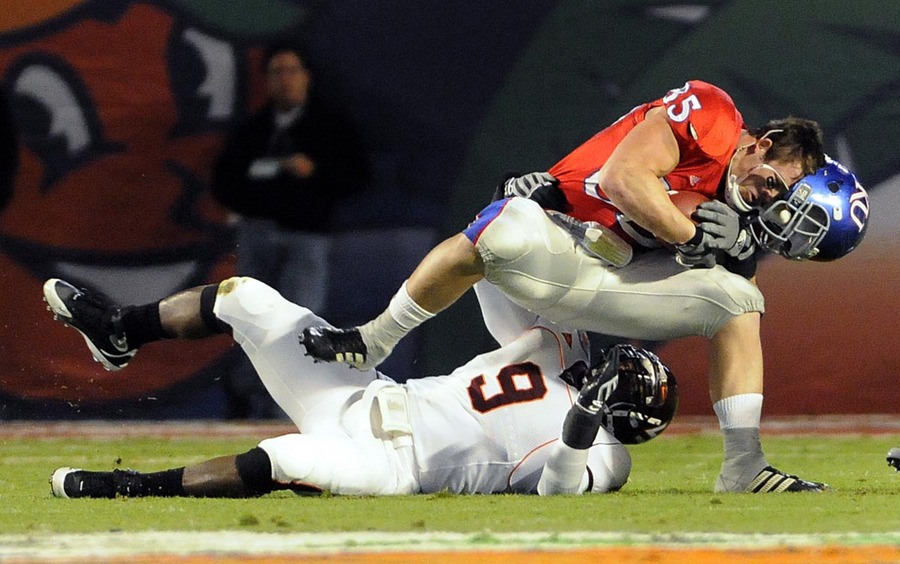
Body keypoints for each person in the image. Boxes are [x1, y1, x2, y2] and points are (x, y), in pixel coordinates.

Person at [298, 80, 870, 493]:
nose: (769, 200)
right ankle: (375, 339)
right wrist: (693, 234)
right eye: (774, 185)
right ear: (762, 144)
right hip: (566, 246)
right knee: (502, 225)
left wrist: (728, 245)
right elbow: (624, 180)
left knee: (740, 302)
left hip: (611, 277)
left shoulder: (743, 211)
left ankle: (743, 464)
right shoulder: (714, 115)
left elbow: (731, 271)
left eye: (780, 203)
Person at [43, 276, 684, 499]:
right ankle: (119, 332)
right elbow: (492, 270)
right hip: (369, 394)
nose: (605, 371)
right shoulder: (554, 349)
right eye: (618, 364)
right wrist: (528, 213)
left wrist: (581, 424)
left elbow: (558, 490)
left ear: (627, 414)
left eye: (620, 381)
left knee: (287, 458)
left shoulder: (609, 456)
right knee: (249, 300)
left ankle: (126, 488)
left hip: (393, 464)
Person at [210, 42, 368, 417]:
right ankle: (246, 400)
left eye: (291, 71)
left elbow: (357, 177)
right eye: (276, 72)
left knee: (300, 321)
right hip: (257, 235)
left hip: (306, 238)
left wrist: (315, 173)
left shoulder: (329, 126)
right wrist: (254, 198)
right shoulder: (254, 130)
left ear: (307, 77)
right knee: (248, 319)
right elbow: (224, 181)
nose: (284, 80)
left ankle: (296, 408)